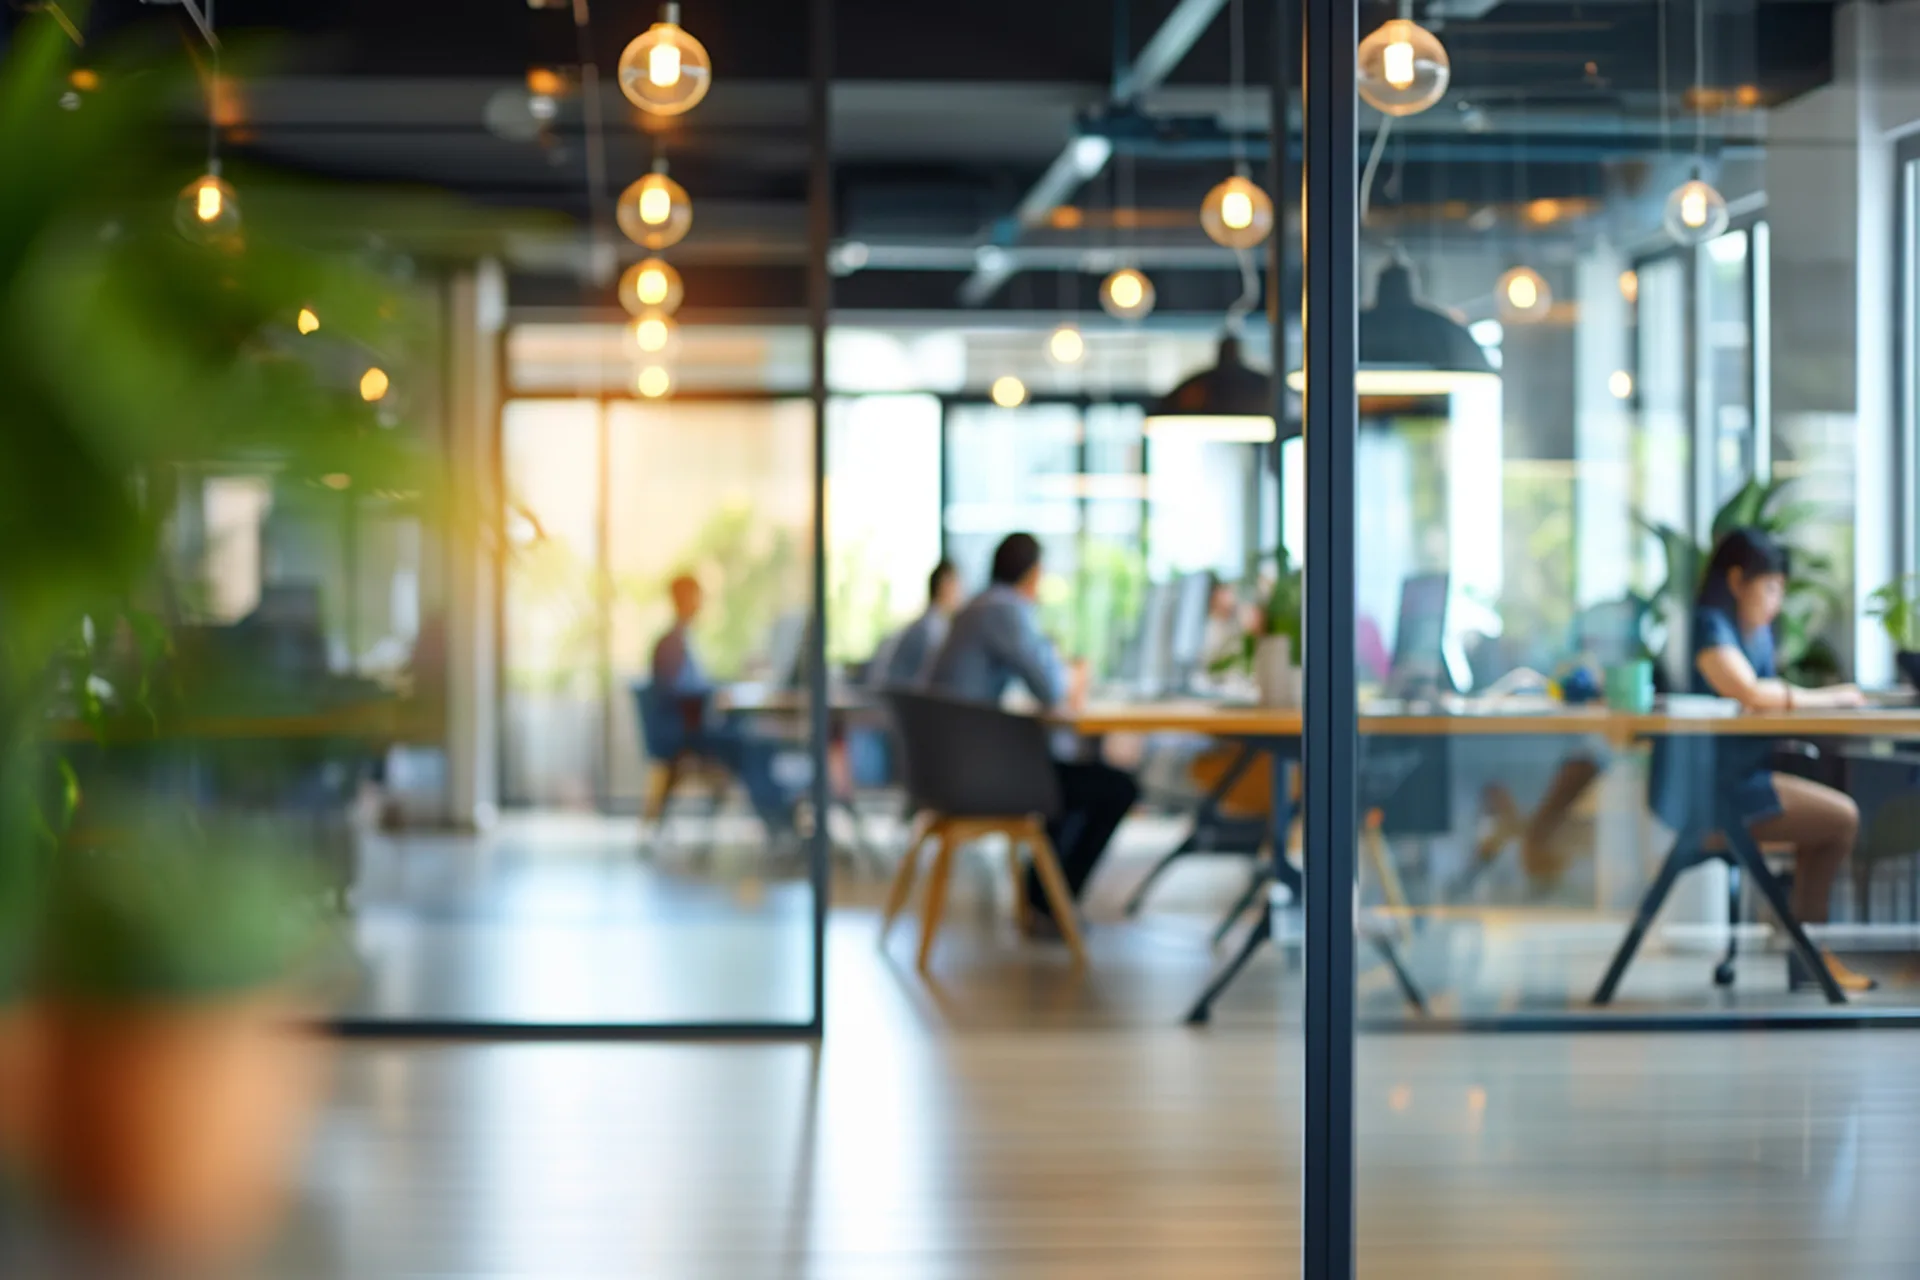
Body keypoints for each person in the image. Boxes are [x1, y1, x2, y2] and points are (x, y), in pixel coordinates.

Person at [1665, 526, 1872, 992]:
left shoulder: (1750, 633)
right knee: (1841, 819)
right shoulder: (1709, 627)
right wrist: (1833, 699)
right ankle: (1808, 954)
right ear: (1737, 580)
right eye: (1772, 586)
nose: (1777, 601)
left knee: (1834, 817)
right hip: (1714, 794)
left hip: (1739, 781)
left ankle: (1807, 950)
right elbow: (1750, 694)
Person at [926, 533, 1139, 929]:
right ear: (1034, 574)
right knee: (1117, 788)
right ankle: (1049, 902)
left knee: (1063, 776)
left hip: (948, 769)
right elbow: (1049, 688)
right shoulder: (1003, 609)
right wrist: (1070, 671)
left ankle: (1041, 897)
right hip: (971, 777)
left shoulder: (979, 606)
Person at [651, 574, 800, 838]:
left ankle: (781, 818)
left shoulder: (684, 640)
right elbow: (681, 693)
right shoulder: (671, 644)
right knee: (752, 745)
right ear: (681, 599)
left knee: (757, 741)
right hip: (687, 733)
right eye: (696, 597)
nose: (701, 604)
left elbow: (695, 687)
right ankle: (779, 823)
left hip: (694, 727)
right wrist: (719, 695)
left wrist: (725, 688)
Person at [870, 559, 963, 689]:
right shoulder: (931, 628)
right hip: (904, 699)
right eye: (958, 585)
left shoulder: (927, 624)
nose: (961, 593)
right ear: (945, 585)